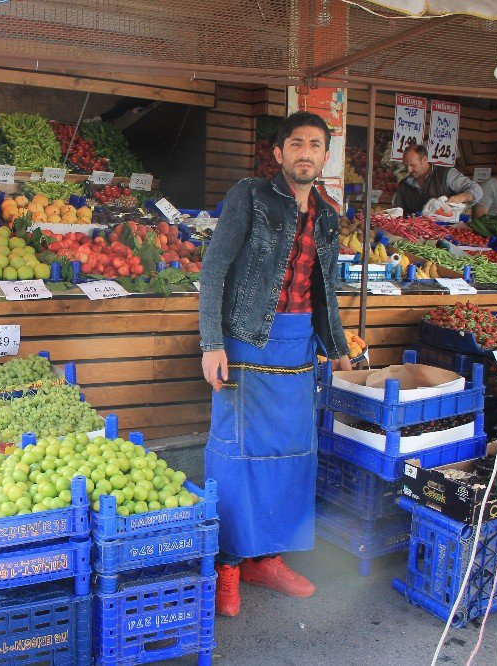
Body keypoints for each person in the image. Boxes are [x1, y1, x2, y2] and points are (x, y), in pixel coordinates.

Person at [198, 111, 351, 618]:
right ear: (280, 153)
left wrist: (337, 345)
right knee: (237, 455)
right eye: (296, 144)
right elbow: (215, 266)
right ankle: (228, 566)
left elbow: (324, 290)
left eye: (315, 144)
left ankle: (268, 558)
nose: (305, 152)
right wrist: (211, 342)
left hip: (297, 348)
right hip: (245, 343)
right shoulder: (250, 195)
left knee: (291, 458)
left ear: (325, 155)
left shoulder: (328, 214)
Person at [393, 144, 482, 217]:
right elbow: (397, 212)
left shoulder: (446, 174)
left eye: (413, 165)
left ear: (424, 159)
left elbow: (476, 190)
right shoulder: (404, 185)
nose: (409, 170)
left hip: (446, 232)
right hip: (414, 234)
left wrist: (462, 197)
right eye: (406, 165)